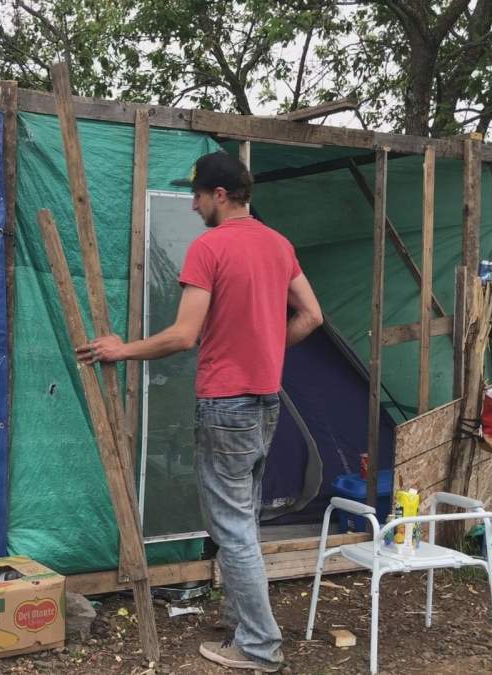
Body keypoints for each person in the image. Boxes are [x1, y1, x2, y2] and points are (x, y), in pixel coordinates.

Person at [76, 151, 323, 672]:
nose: (192, 206)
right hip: (264, 402)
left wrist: (121, 351)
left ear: (219, 195)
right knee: (245, 520)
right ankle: (242, 622)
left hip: (226, 404)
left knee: (231, 528)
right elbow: (312, 315)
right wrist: (268, 349)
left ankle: (258, 646)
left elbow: (184, 335)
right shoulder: (279, 245)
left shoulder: (208, 248)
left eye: (196, 195)